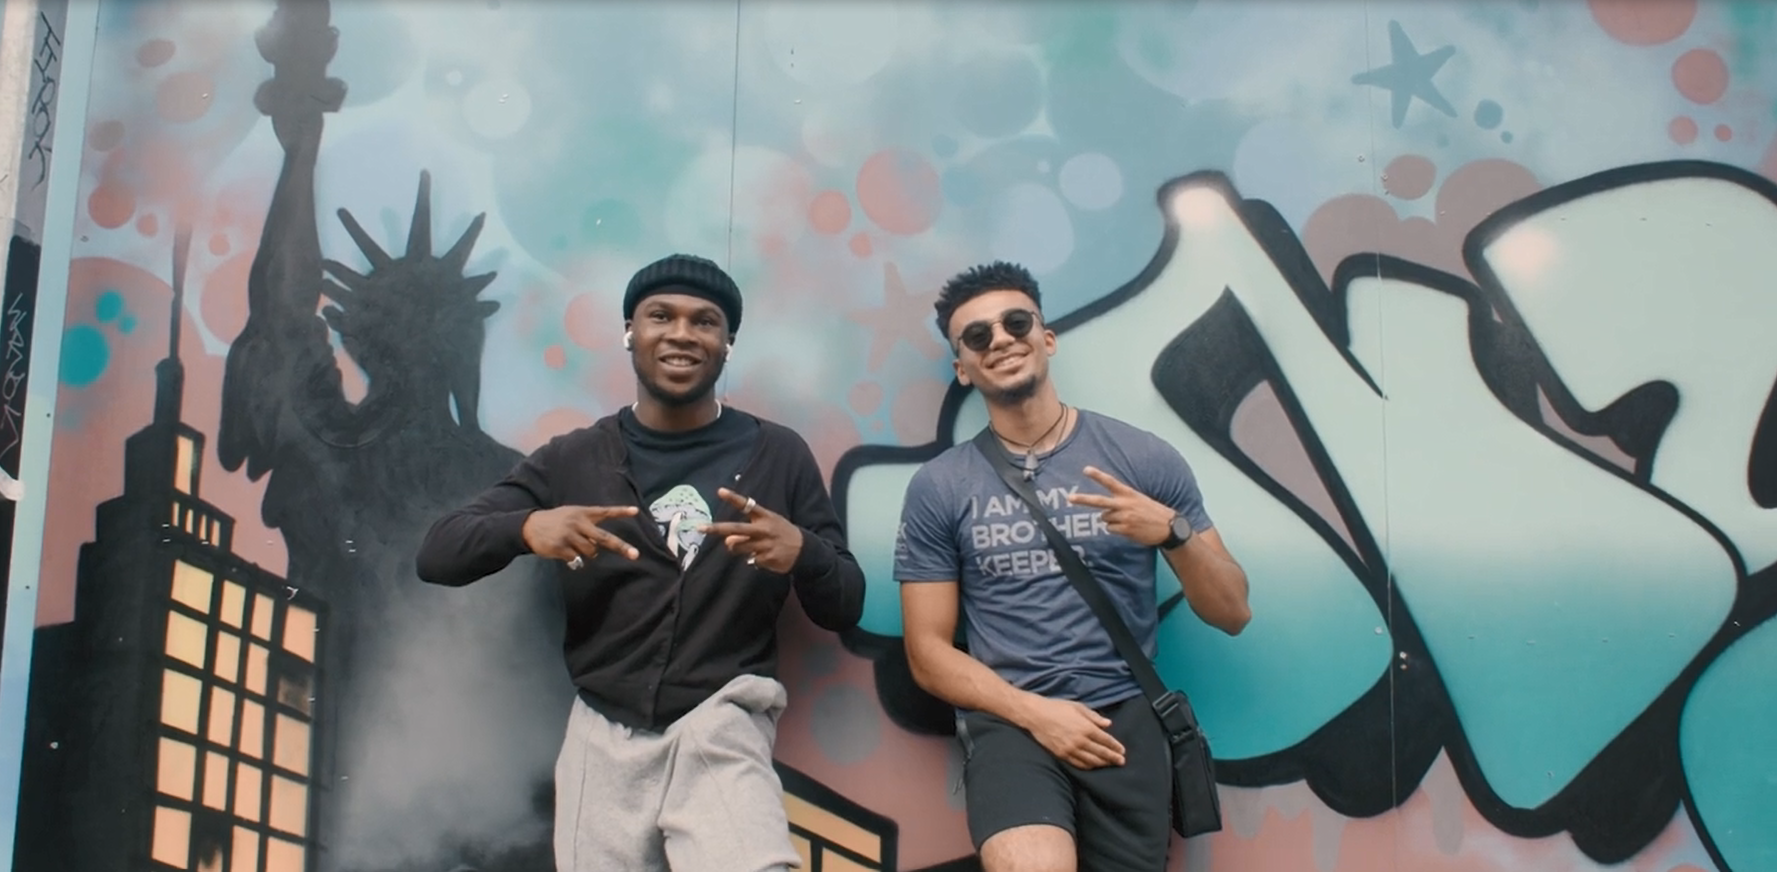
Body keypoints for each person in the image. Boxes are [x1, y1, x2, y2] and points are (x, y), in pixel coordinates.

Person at [415, 253, 866, 872]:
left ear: (727, 343)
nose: (682, 333)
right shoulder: (572, 459)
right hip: (603, 733)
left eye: (705, 322)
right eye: (661, 316)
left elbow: (845, 603)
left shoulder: (778, 455)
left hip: (720, 722)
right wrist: (527, 527)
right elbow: (438, 552)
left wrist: (804, 552)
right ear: (630, 331)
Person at [894, 261, 1251, 871]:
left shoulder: (1141, 458)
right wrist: (1037, 714)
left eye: (1015, 322)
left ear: (1046, 337)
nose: (1001, 340)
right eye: (977, 336)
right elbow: (928, 653)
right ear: (962, 366)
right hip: (1012, 724)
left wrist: (1173, 534)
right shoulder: (941, 486)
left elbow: (1232, 611)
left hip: (1126, 725)